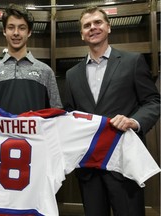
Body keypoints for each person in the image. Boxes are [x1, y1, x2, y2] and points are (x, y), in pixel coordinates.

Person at [63, 6, 160, 216]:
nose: (93, 28)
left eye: (98, 22)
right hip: (89, 168)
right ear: (82, 34)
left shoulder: (132, 62)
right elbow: (69, 114)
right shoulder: (72, 75)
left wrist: (134, 121)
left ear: (108, 27)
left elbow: (153, 101)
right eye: (87, 25)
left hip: (123, 164)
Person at [0, 3, 62, 114]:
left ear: (29, 32)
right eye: (11, 27)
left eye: (22, 28)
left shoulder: (45, 71)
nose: (16, 33)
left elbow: (56, 113)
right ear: (4, 31)